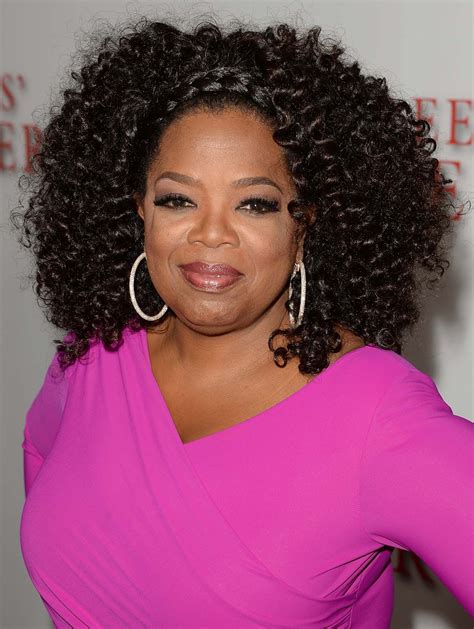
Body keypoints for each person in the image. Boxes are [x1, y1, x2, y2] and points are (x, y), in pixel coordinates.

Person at [12, 14, 473, 628]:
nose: (211, 234)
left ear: (306, 222)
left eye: (255, 204)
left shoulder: (376, 416)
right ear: (139, 208)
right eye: (178, 199)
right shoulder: (91, 359)